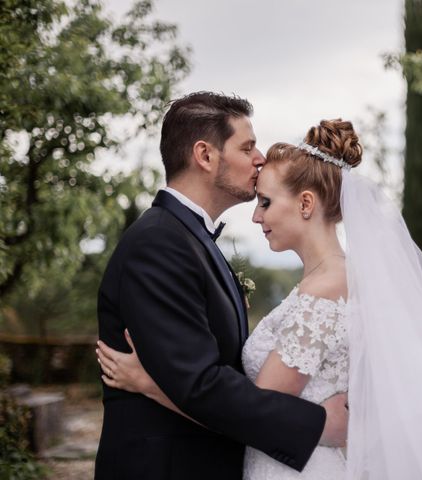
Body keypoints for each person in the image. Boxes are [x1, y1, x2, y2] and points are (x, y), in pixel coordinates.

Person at [98, 118, 422, 479]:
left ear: (306, 203)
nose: (256, 214)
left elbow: (251, 412)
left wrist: (153, 385)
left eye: (266, 202)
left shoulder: (325, 290)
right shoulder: (333, 281)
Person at [94, 92, 348, 480]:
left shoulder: (188, 239)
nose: (259, 158)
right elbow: (200, 385)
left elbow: (208, 378)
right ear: (205, 156)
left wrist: (152, 383)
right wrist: (318, 424)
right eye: (247, 147)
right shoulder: (159, 243)